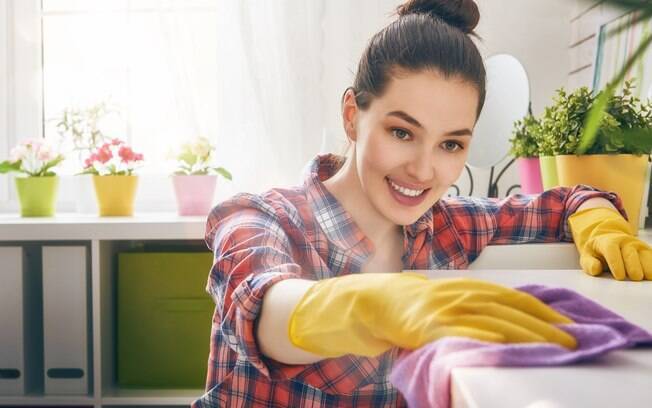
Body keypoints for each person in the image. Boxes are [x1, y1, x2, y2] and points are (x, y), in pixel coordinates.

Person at [192, 0, 652, 406]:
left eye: (451, 144)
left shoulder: (448, 228)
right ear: (353, 116)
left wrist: (598, 218)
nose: (423, 170)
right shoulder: (262, 218)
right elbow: (263, 310)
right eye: (402, 132)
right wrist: (369, 306)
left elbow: (568, 200)